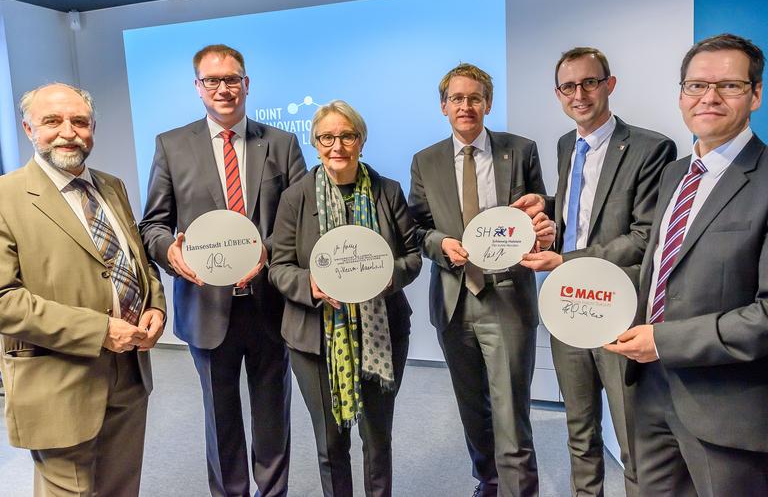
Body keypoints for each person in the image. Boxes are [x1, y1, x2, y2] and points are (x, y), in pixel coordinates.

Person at [605, 33, 768, 496]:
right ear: (680, 95)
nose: (708, 97)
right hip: (650, 391)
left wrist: (665, 341)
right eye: (695, 86)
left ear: (755, 95)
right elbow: (660, 274)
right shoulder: (675, 173)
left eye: (729, 86)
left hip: (728, 405)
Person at [139, 44, 306, 497]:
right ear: (198, 88)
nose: (223, 88)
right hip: (206, 308)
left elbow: (300, 221)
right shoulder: (171, 146)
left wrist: (267, 252)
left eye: (232, 79)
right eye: (212, 80)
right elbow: (153, 223)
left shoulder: (282, 144)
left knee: (273, 417)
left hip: (271, 304)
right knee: (221, 419)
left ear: (246, 84)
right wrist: (168, 252)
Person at [520, 47, 676, 496]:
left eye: (589, 82)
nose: (580, 94)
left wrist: (564, 262)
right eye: (569, 86)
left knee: (633, 438)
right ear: (558, 94)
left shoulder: (651, 147)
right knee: (579, 430)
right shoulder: (567, 145)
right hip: (567, 306)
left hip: (618, 309)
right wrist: (545, 205)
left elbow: (646, 236)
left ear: (610, 84)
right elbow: (582, 210)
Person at [0, 82, 166, 496]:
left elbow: (137, 262)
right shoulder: (6, 197)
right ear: (28, 129)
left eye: (80, 121)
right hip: (58, 378)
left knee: (121, 487)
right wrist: (99, 330)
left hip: (128, 372)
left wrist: (156, 307)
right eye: (52, 121)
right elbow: (4, 300)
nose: (68, 132)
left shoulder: (111, 186)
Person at [409, 63, 555, 497]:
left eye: (474, 98)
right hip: (454, 300)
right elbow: (417, 230)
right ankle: (488, 481)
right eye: (457, 98)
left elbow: (541, 212)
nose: (466, 106)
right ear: (444, 106)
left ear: (487, 103)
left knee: (511, 409)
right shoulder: (426, 160)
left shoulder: (520, 150)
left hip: (507, 296)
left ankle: (519, 490)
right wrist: (441, 245)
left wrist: (543, 218)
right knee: (473, 407)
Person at [269, 100, 421, 496]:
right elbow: (279, 265)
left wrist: (386, 278)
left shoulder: (388, 191)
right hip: (314, 337)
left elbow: (412, 256)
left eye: (347, 135)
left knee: (377, 439)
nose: (337, 145)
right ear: (315, 142)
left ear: (361, 140)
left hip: (381, 332)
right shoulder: (295, 197)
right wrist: (311, 286)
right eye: (327, 137)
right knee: (331, 444)